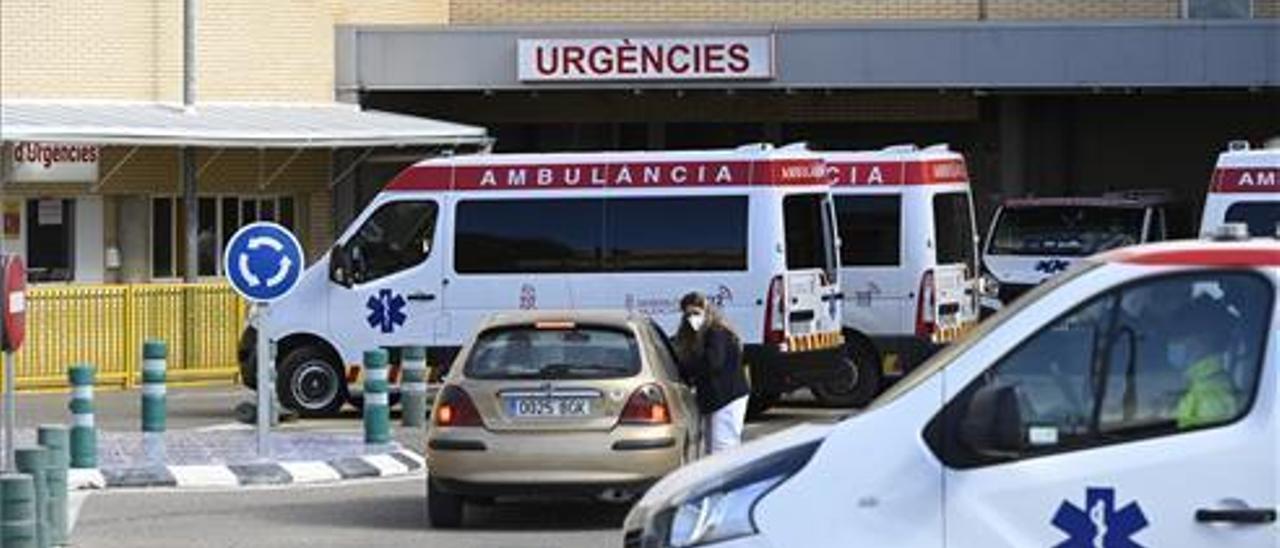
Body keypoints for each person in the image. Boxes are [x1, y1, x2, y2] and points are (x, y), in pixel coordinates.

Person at [673, 291, 750, 454]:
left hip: (728, 396)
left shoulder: (717, 332)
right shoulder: (697, 334)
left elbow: (713, 363)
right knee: (712, 448)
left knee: (722, 447)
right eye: (688, 314)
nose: (692, 318)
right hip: (716, 398)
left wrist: (688, 368)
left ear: (706, 311)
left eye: (696, 313)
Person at [1165, 298, 1239, 429]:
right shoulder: (1198, 383)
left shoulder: (1211, 396)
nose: (1172, 344)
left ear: (1202, 340)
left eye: (1178, 337)